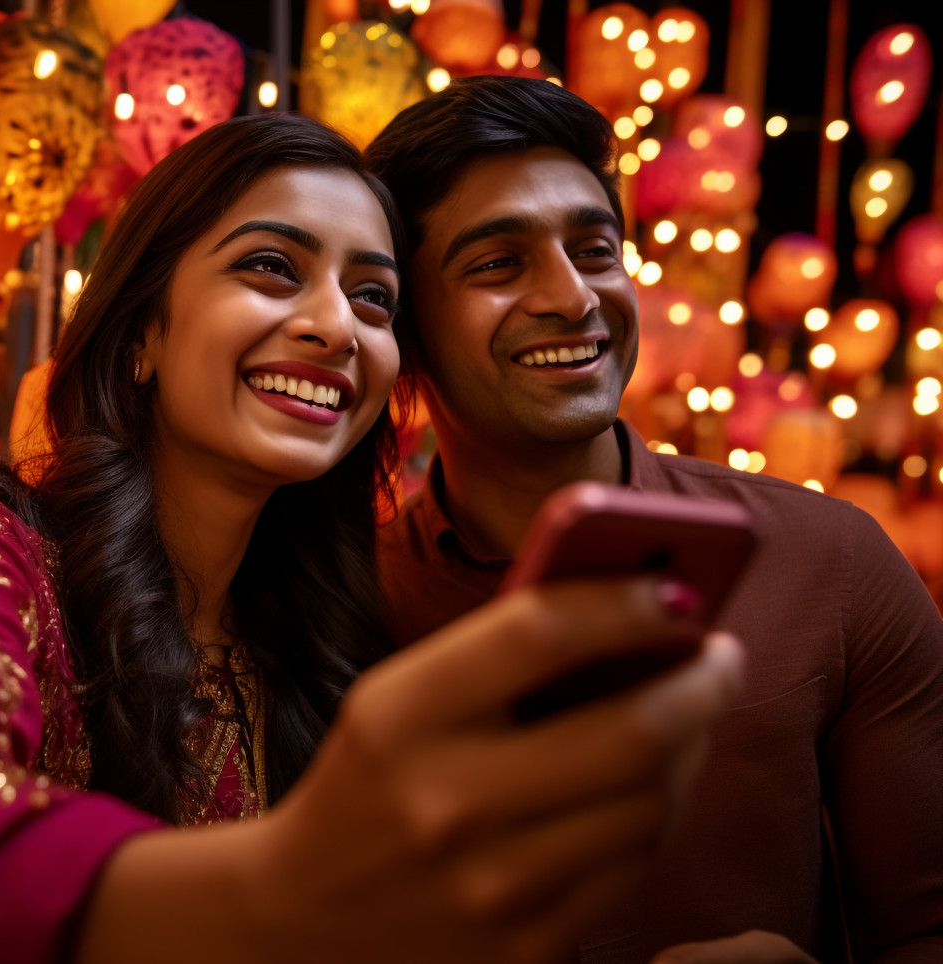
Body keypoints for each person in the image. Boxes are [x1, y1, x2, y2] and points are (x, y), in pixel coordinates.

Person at [0, 112, 742, 964]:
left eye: (372, 298)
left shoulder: (327, 636)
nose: (335, 328)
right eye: (271, 267)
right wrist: (272, 884)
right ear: (145, 329)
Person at [364, 76, 943, 962]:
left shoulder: (829, 561)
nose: (574, 298)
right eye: (497, 263)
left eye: (595, 250)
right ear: (406, 325)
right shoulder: (345, 603)